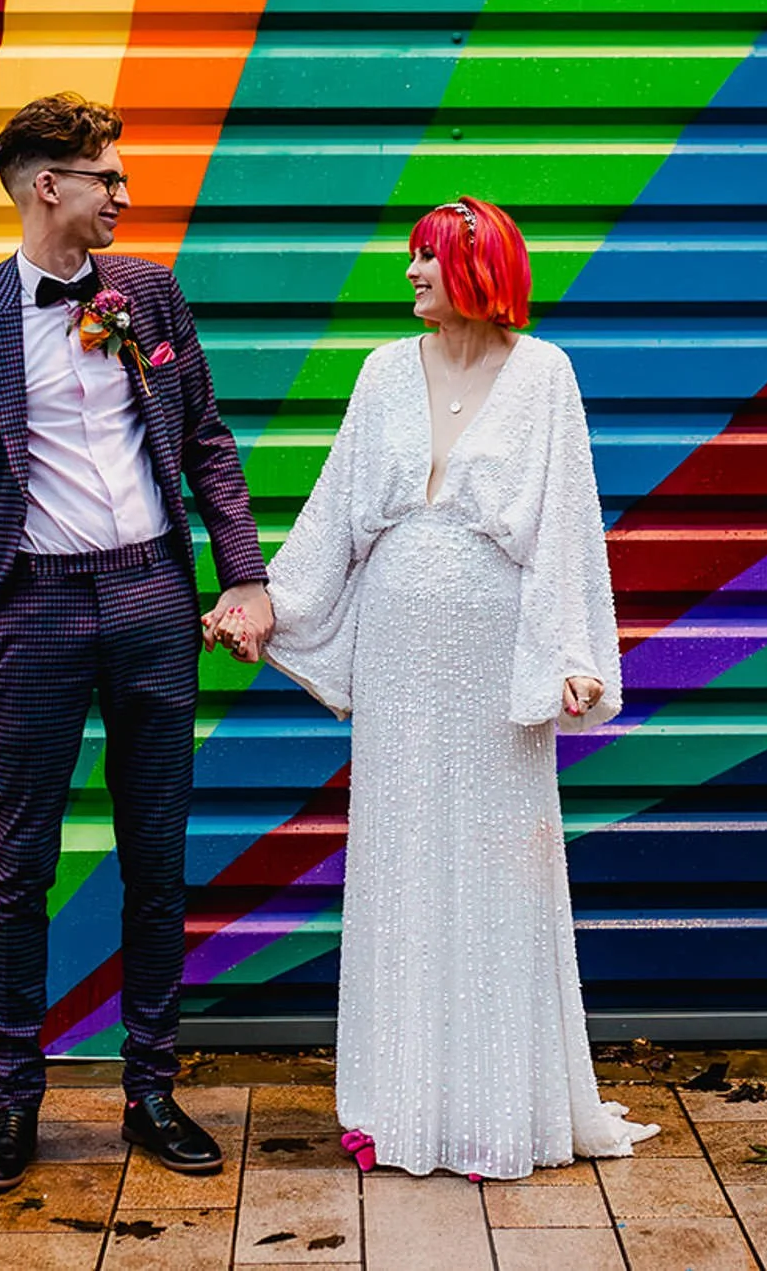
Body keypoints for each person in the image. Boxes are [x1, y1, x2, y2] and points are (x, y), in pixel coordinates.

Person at [235, 196, 661, 1181]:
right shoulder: (382, 370)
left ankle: (494, 1110)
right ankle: (398, 1105)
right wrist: (269, 607)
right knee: (400, 862)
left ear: (475, 266)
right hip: (397, 656)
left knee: (496, 868)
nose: (409, 275)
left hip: (491, 655)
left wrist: (569, 654)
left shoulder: (544, 373)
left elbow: (565, 524)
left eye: (424, 258)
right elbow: (336, 508)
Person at [0, 91, 275, 1191]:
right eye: (108, 176)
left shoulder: (147, 290)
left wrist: (242, 573)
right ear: (47, 185)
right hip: (32, 610)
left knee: (156, 857)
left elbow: (204, 440)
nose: (126, 192)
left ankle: (150, 1086)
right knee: (21, 865)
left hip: (154, 596)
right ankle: (15, 1099)